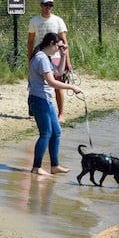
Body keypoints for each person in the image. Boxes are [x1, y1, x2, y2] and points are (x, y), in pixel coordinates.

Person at [28, 32, 82, 175]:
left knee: (56, 132)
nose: (58, 49)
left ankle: (54, 166)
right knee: (46, 133)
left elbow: (58, 71)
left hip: (46, 100)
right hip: (40, 100)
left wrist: (64, 55)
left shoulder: (46, 57)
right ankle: (36, 167)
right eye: (58, 47)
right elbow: (51, 82)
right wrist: (72, 87)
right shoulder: (41, 58)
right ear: (52, 43)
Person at [27, 0, 71, 123]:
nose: (48, 8)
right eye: (46, 5)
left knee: (57, 85)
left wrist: (67, 61)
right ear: (41, 5)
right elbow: (30, 42)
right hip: (40, 56)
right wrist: (30, 59)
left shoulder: (58, 21)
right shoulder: (34, 21)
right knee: (37, 84)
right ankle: (37, 110)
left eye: (51, 5)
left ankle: (61, 113)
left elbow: (64, 42)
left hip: (55, 56)